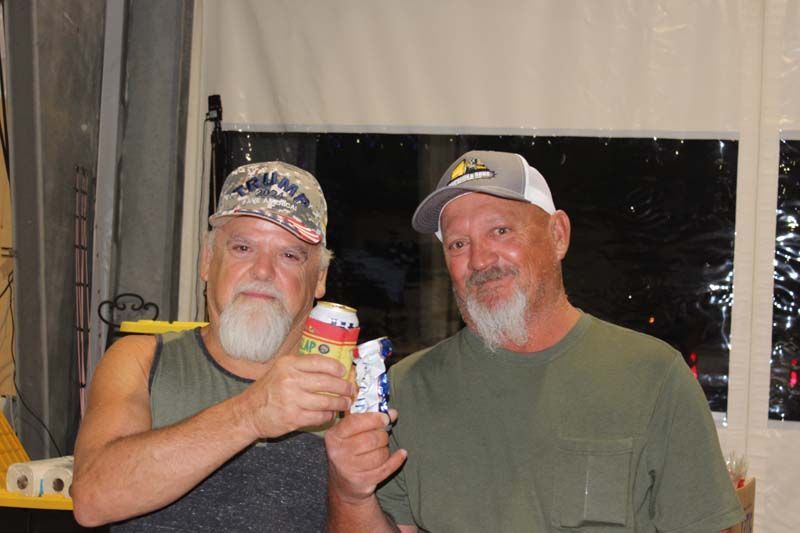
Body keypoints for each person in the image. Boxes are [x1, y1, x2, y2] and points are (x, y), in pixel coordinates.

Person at [325, 150, 745, 532]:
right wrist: (350, 493)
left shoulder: (653, 377)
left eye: (501, 231)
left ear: (558, 235)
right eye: (458, 244)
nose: (480, 260)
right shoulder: (407, 391)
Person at [72, 161, 355, 532]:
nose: (263, 271)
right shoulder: (141, 361)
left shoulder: (349, 386)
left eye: (289, 255)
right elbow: (92, 499)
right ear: (207, 260)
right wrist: (250, 414)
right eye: (242, 247)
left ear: (319, 279)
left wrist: (354, 493)